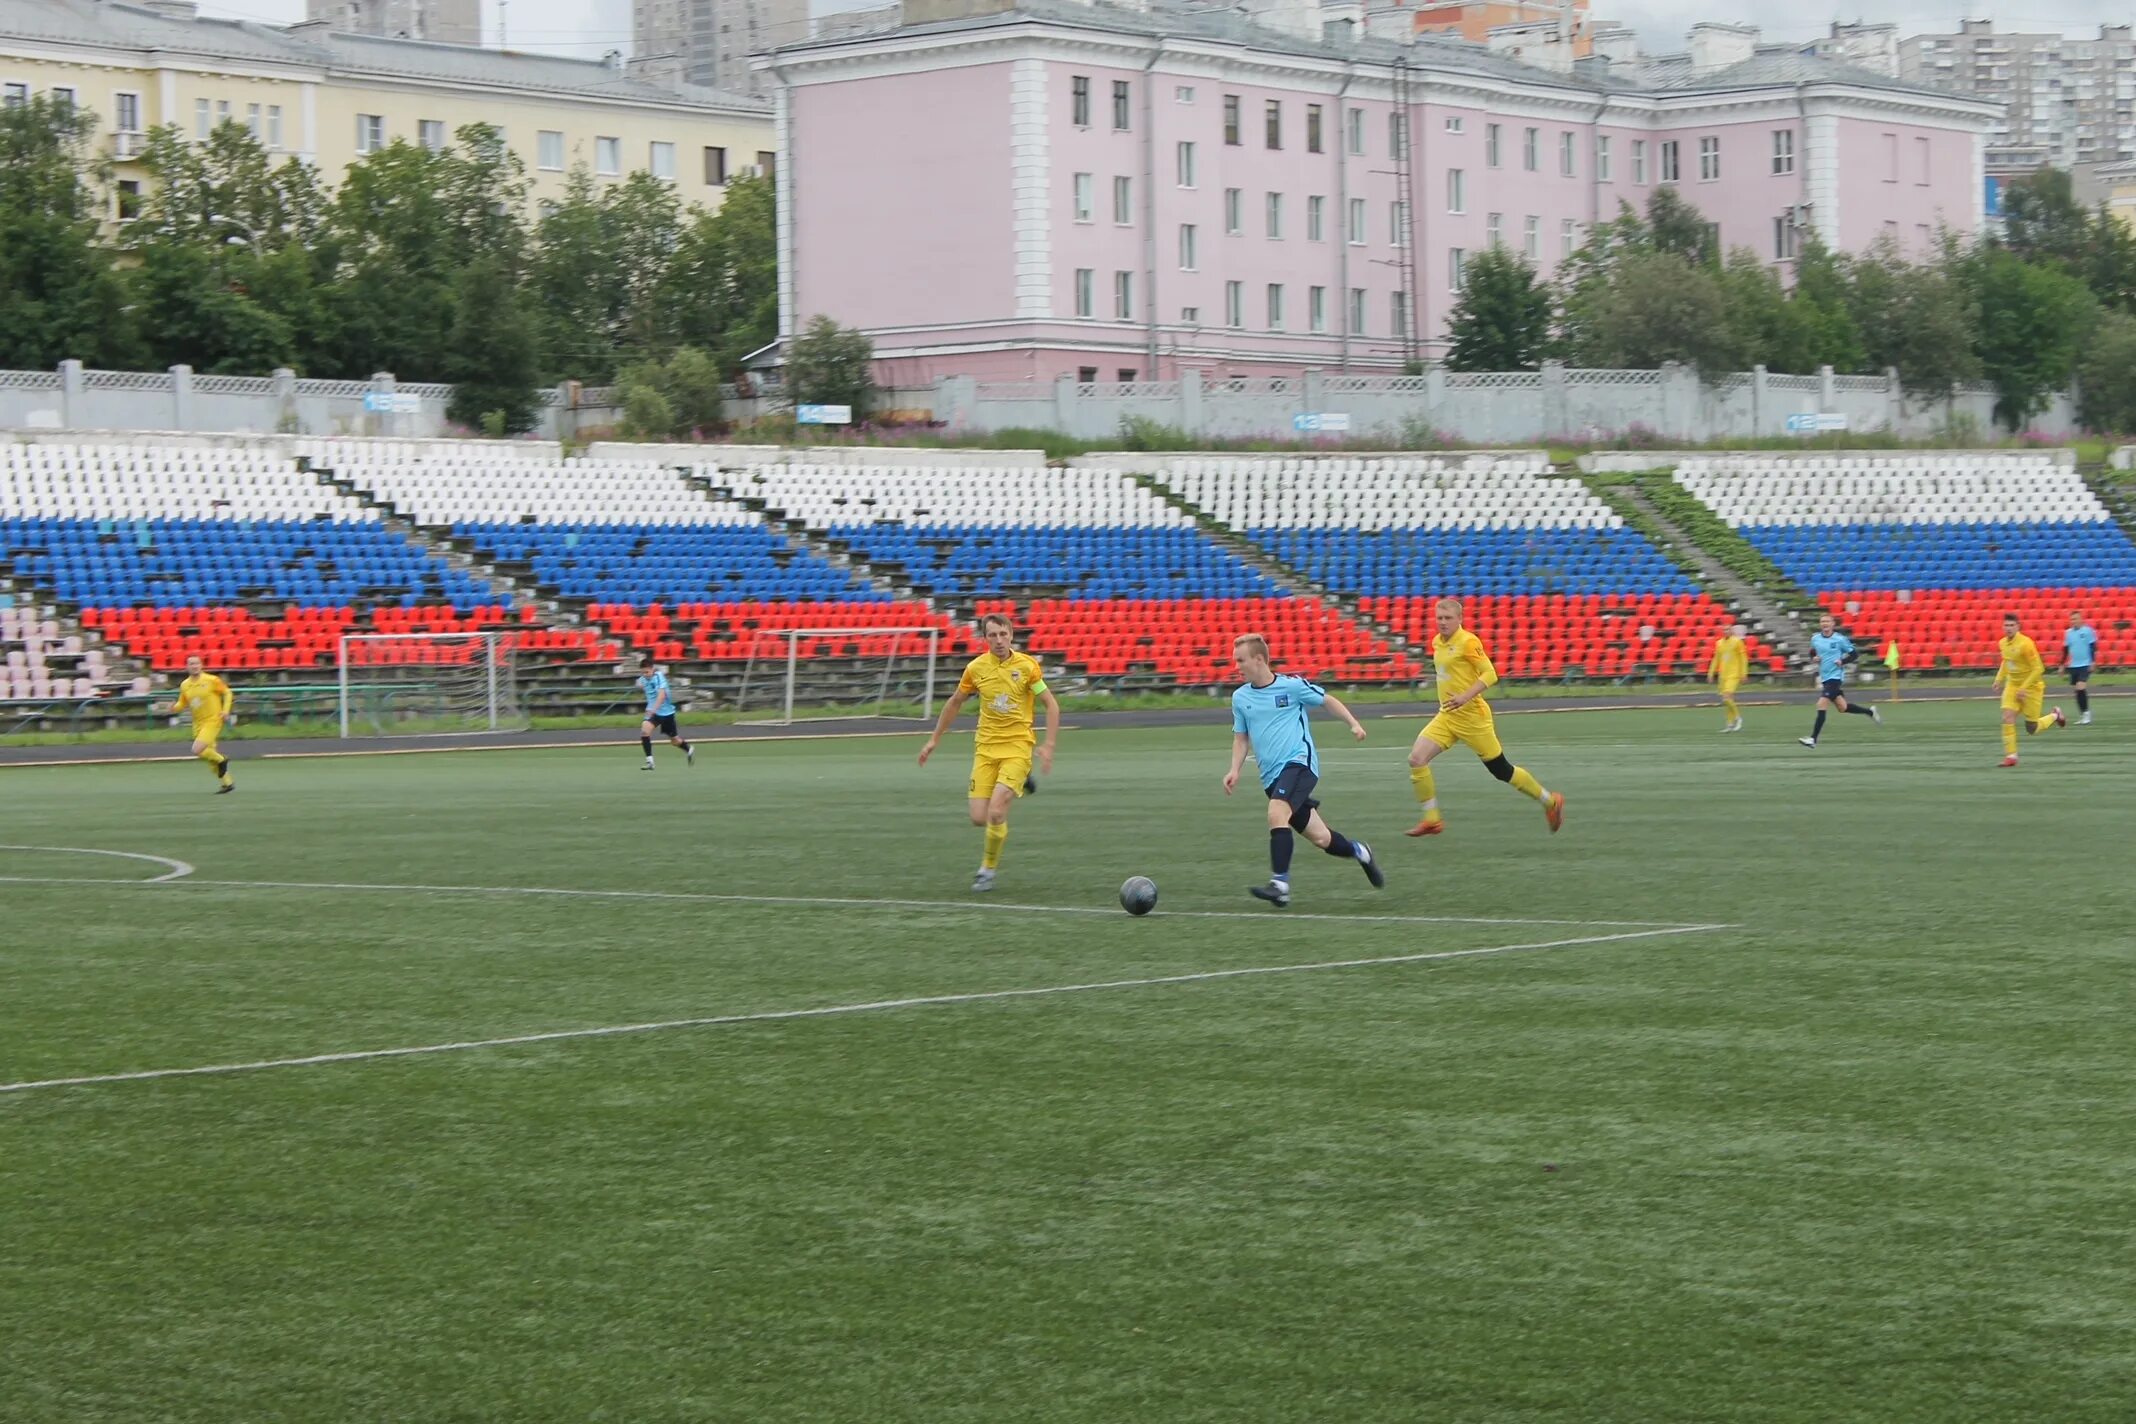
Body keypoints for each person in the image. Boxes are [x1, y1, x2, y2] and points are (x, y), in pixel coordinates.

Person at [1224, 633, 1383, 908]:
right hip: (1271, 776)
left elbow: (1327, 700)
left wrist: (1353, 724)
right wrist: (1234, 770)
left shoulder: (1292, 686)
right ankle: (1361, 851)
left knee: (1276, 812)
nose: (1236, 666)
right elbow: (1241, 738)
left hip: (1299, 764)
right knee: (1322, 838)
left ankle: (1280, 884)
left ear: (1259, 659)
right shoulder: (1240, 698)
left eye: (1241, 660)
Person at [918, 612, 1060, 892]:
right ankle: (1019, 783)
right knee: (978, 818)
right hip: (985, 749)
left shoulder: (1028, 667)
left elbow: (1051, 704)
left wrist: (1048, 745)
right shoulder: (975, 669)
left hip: (1018, 747)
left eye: (1003, 634)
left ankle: (987, 870)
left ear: (1011, 635)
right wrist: (934, 739)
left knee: (996, 812)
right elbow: (955, 702)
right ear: (984, 639)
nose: (998, 640)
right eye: (992, 635)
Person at [1406, 598, 1564, 837]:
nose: (1443, 623)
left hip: (1473, 718)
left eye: (1448, 618)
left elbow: (1490, 674)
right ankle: (1432, 820)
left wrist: (1464, 697)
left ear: (1460, 619)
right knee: (1416, 759)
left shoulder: (1468, 642)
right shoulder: (1437, 642)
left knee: (1502, 771)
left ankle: (1550, 801)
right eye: (1439, 618)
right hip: (1447, 716)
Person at [1799, 612, 1881, 748]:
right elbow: (1812, 652)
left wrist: (1842, 661)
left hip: (1835, 678)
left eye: (1827, 621)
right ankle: (1870, 712)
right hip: (1825, 677)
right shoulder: (1815, 638)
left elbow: (1854, 654)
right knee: (1843, 708)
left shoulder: (1840, 639)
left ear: (1833, 624)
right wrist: (1814, 658)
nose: (1825, 624)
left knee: (1821, 704)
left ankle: (1813, 739)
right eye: (1822, 621)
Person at [156, 655, 235, 794]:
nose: (194, 666)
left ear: (201, 665)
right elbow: (182, 703)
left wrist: (225, 710)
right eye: (191, 664)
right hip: (198, 723)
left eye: (197, 663)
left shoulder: (211, 680)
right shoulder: (185, 685)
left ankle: (223, 759)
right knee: (208, 757)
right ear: (187, 667)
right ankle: (228, 784)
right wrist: (174, 707)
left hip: (213, 720)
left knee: (197, 749)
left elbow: (228, 693)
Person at [1995, 613, 2066, 767]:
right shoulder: (2002, 643)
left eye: (2011, 625)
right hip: (2012, 685)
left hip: (2032, 688)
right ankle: (2011, 756)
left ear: (2018, 626)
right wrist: (1999, 679)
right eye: (2006, 625)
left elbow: (2038, 668)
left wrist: (2024, 687)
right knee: (2007, 716)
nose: (2008, 628)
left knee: (2032, 728)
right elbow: (2006, 662)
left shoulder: (2026, 644)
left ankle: (2055, 715)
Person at [635, 653, 693, 769]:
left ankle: (688, 748)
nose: (645, 675)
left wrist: (653, 710)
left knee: (674, 741)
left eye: (647, 672)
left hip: (666, 713)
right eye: (643, 672)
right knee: (645, 731)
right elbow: (641, 685)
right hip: (654, 712)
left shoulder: (659, 677)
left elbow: (661, 696)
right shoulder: (643, 679)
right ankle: (650, 762)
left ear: (652, 669)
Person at [1707, 622, 1750, 732]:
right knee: (1727, 700)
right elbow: (1716, 659)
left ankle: (1738, 718)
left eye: (1728, 629)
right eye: (1724, 630)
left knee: (1727, 697)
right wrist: (1711, 673)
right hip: (1723, 675)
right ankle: (1730, 724)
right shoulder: (1719, 643)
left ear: (1731, 631)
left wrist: (1744, 673)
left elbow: (1743, 658)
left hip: (1734, 674)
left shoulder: (1737, 642)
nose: (1726, 631)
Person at [2065, 610, 2097, 725]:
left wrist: (2093, 661)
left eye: (2075, 619)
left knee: (2080, 687)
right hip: (2073, 665)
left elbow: (2092, 646)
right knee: (2077, 691)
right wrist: (2062, 664)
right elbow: (2066, 649)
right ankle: (2083, 714)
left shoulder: (2088, 631)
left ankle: (2087, 714)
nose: (2073, 621)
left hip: (2085, 664)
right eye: (2072, 619)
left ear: (2081, 619)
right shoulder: (2068, 633)